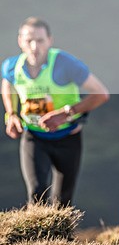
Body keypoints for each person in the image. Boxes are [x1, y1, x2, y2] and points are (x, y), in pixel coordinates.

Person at [2, 17, 110, 206]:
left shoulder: (65, 63)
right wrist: (11, 114)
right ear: (20, 41)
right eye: (29, 41)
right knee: (36, 193)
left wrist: (66, 113)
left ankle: (61, 236)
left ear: (50, 40)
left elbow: (100, 93)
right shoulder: (12, 67)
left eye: (40, 40)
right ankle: (34, 236)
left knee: (62, 202)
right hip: (34, 136)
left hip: (68, 137)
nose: (34, 47)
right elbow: (7, 85)